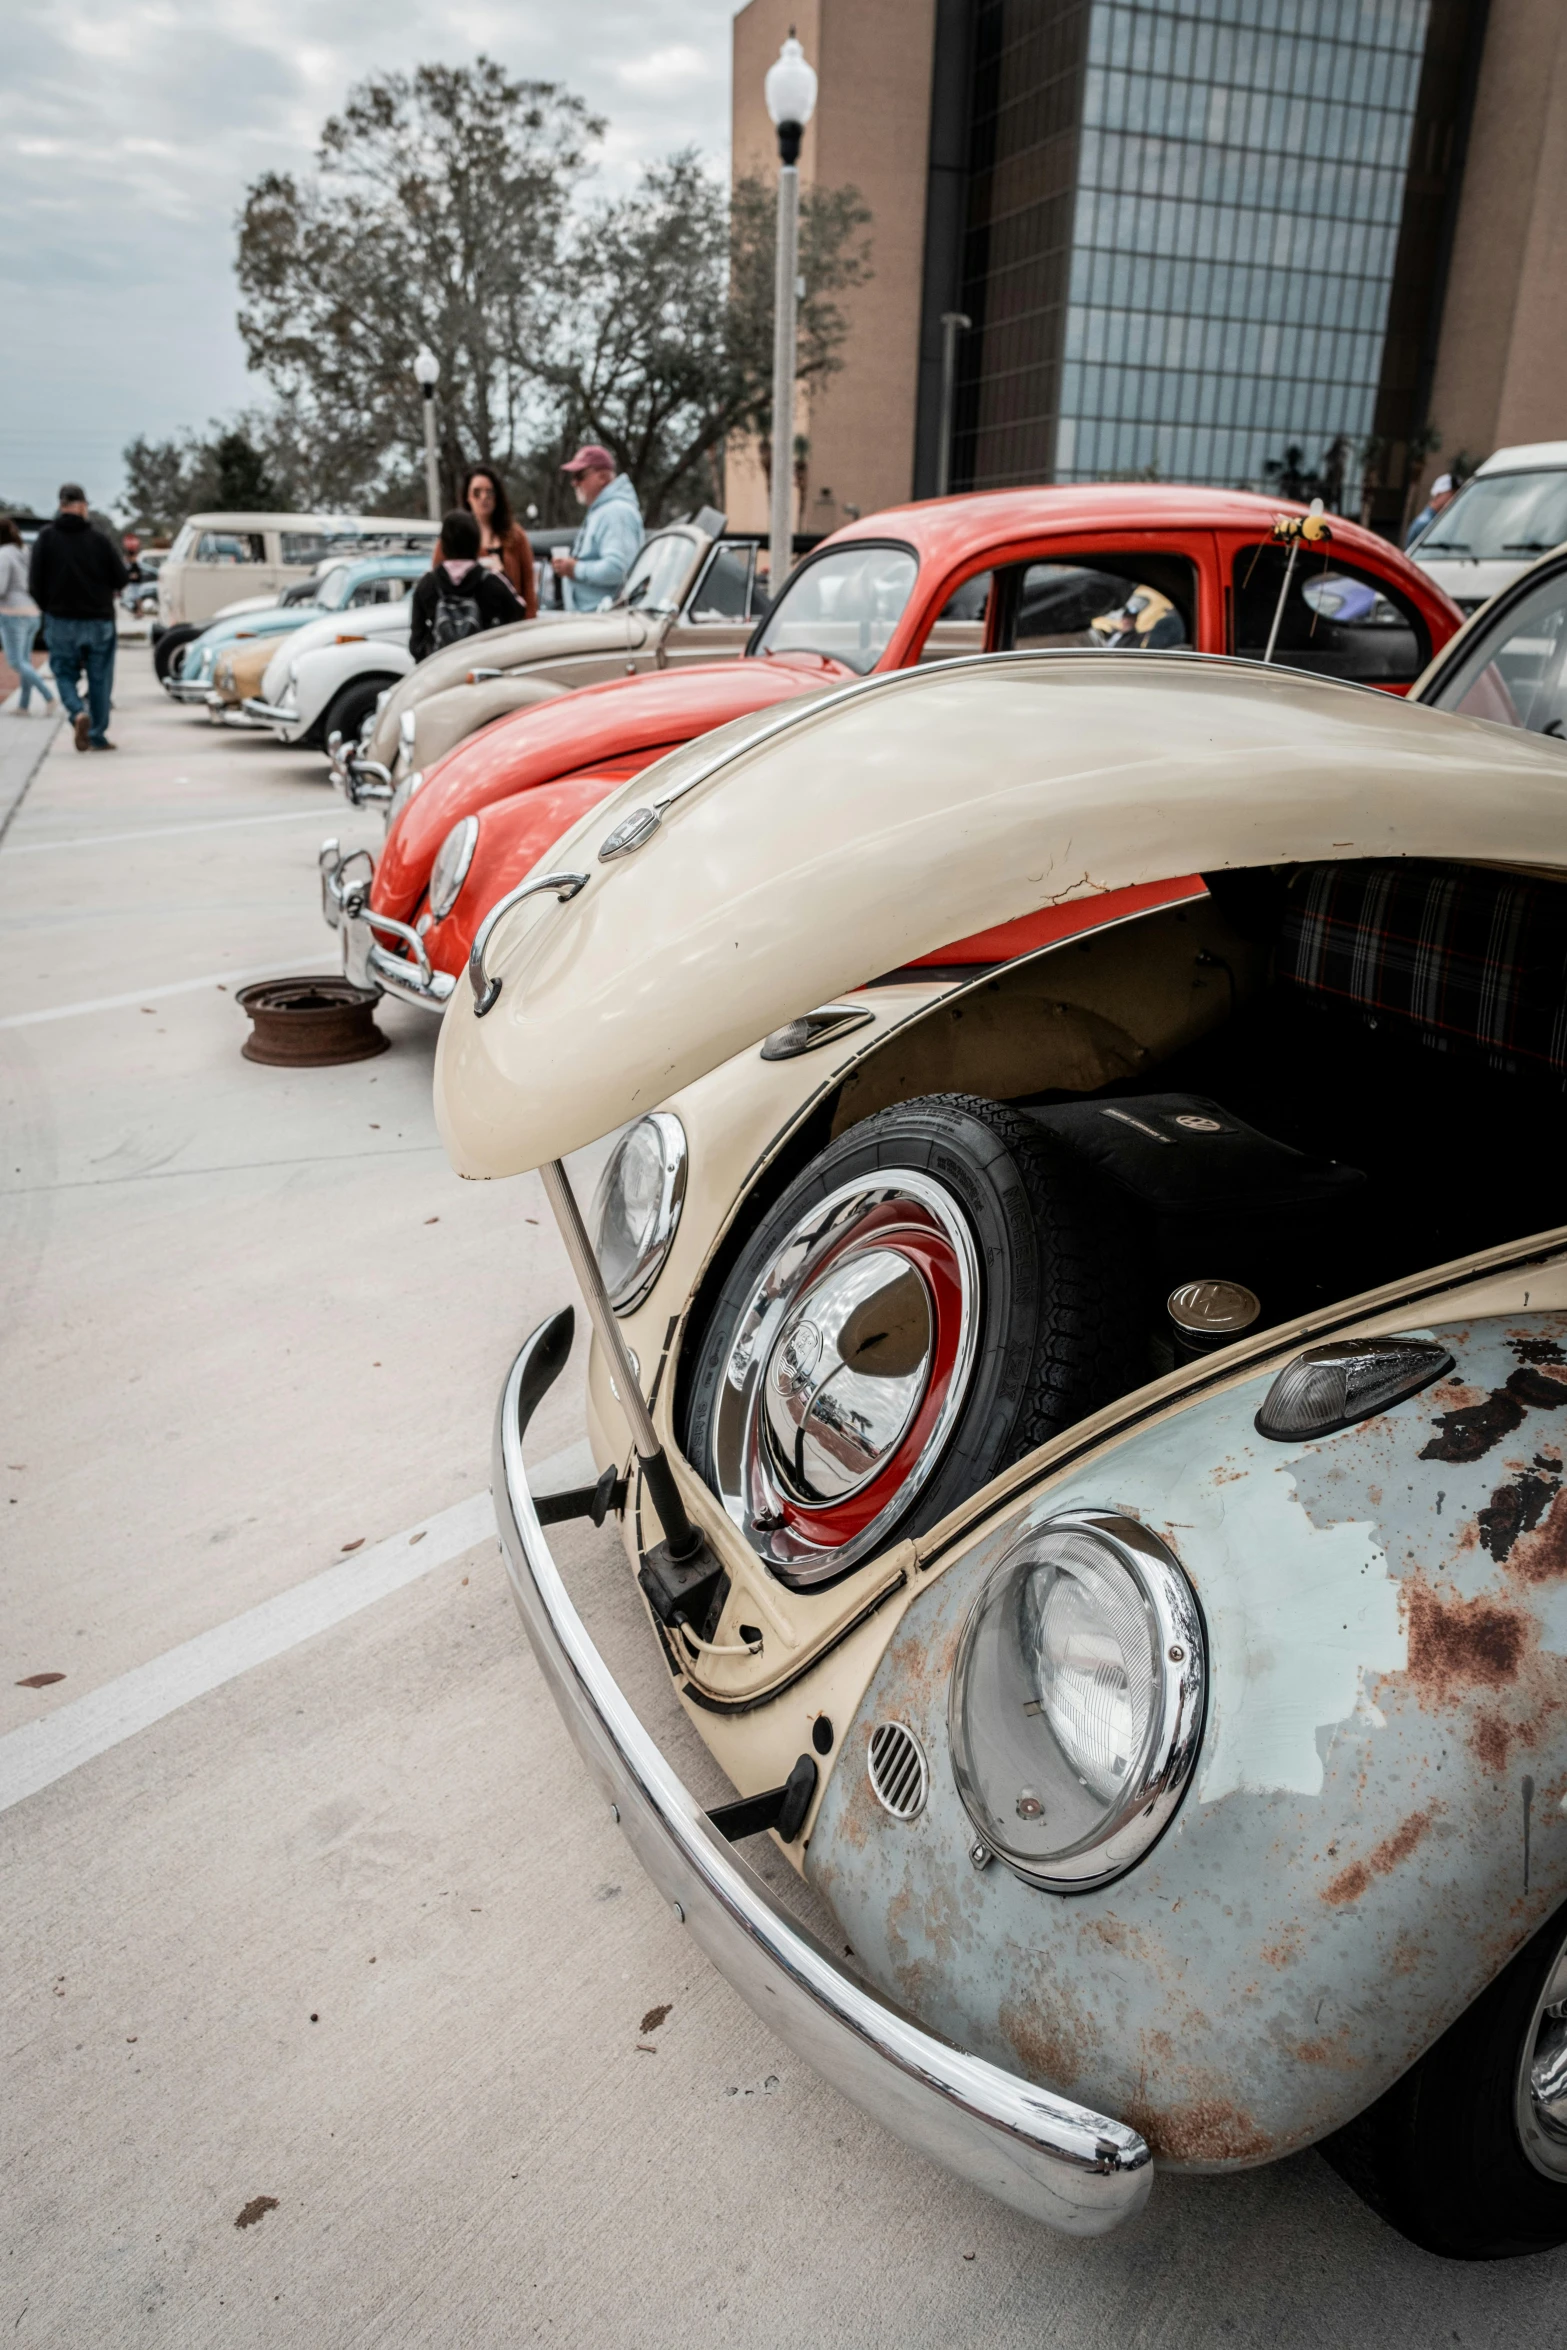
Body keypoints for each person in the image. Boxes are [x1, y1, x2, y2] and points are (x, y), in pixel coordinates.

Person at [29, 484, 127, 751]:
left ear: (61, 505)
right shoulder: (99, 538)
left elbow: (34, 583)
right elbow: (121, 577)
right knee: (100, 678)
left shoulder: (46, 538)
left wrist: (48, 607)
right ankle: (96, 734)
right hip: (99, 620)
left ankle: (76, 712)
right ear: (83, 506)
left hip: (60, 619)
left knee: (63, 672)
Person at [409, 508, 524, 663]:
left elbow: (416, 642)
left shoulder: (427, 583)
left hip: (441, 674)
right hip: (483, 670)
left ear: (443, 544)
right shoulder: (491, 581)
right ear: (477, 543)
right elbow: (519, 610)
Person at [435, 465, 536, 617]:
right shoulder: (453, 534)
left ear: (497, 496)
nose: (484, 497)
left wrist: (529, 620)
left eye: (490, 492)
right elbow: (438, 579)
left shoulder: (515, 535)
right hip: (469, 625)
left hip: (510, 622)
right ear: (467, 497)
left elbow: (528, 584)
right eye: (477, 492)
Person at [553, 444, 643, 611]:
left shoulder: (615, 512)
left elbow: (619, 569)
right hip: (597, 623)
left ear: (602, 477)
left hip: (606, 624)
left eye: (579, 476)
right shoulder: (604, 511)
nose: (574, 483)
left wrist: (575, 569)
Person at [0, 518, 56, 717]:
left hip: (12, 614)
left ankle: (48, 696)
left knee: (16, 662)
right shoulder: (24, 551)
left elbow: (1, 587)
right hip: (32, 611)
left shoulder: (4, 555)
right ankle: (24, 705)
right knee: (24, 660)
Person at [1406, 473, 1455, 550]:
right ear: (1438, 494)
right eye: (1452, 494)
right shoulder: (1426, 523)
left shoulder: (1435, 520)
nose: (1454, 499)